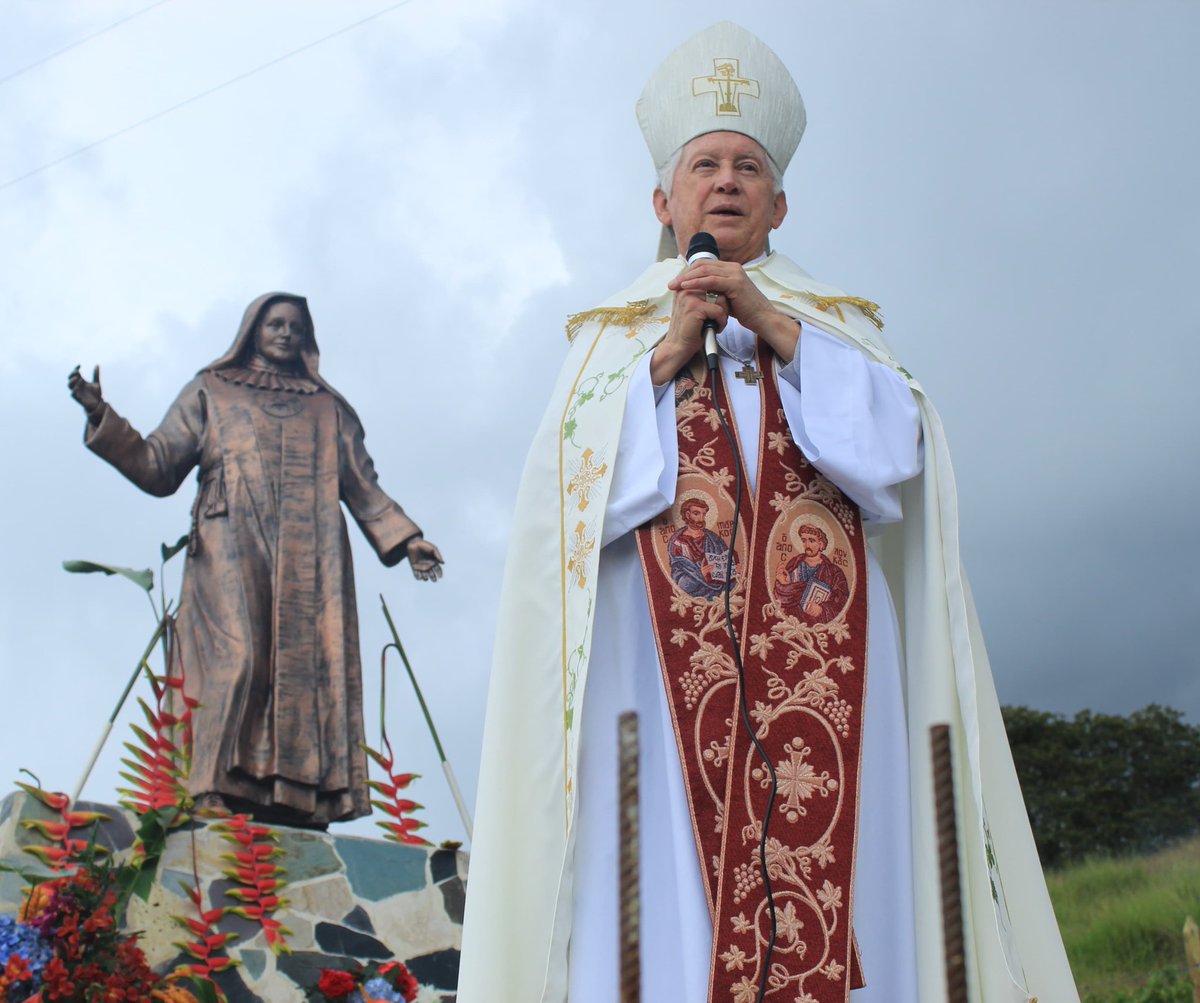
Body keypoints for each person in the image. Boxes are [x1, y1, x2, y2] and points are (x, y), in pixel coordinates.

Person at [459, 22, 1078, 1003]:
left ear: (780, 201)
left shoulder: (836, 331)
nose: (727, 180)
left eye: (748, 165)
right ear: (662, 201)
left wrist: (777, 327)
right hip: (657, 707)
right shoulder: (608, 353)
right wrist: (663, 360)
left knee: (848, 887)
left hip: (835, 689)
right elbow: (561, 512)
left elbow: (895, 463)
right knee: (662, 911)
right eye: (704, 163)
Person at [68, 293, 443, 827]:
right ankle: (208, 784)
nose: (286, 333)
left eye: (296, 325)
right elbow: (157, 466)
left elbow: (362, 484)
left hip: (311, 551)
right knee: (237, 656)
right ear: (252, 330)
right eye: (275, 323)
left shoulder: (326, 406)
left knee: (309, 670)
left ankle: (302, 796)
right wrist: (102, 415)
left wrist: (406, 540)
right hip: (230, 538)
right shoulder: (211, 389)